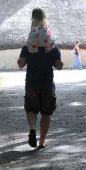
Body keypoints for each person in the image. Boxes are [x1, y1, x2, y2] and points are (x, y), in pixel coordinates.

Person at [17, 8, 64, 149]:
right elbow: (59, 65)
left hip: (32, 82)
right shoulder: (51, 44)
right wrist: (54, 60)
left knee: (31, 109)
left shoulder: (28, 44)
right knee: (46, 113)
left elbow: (21, 64)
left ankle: (32, 128)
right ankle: (42, 142)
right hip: (47, 83)